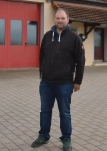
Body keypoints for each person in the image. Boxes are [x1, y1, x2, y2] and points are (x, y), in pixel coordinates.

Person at [31, 8, 85, 151]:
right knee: (45, 111)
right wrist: (42, 75)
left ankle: (66, 139)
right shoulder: (48, 36)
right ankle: (43, 135)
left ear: (68, 19)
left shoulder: (74, 38)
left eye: (63, 18)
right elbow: (41, 56)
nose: (60, 21)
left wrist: (77, 81)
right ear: (54, 20)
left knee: (65, 113)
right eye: (57, 18)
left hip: (65, 83)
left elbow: (80, 61)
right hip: (46, 83)